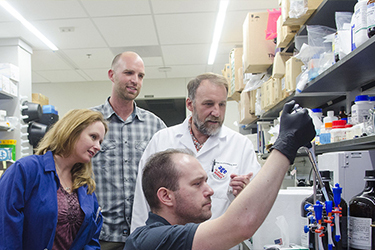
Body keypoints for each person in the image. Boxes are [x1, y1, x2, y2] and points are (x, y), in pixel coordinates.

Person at [124, 100, 316, 250]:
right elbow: (240, 225)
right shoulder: (152, 240)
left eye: (206, 181)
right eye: (197, 184)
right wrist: (286, 144)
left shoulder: (176, 234)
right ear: (166, 196)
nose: (210, 191)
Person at [131, 73, 261, 241]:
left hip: (219, 243)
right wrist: (139, 240)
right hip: (168, 243)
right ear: (190, 104)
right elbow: (143, 199)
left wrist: (245, 193)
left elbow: (256, 202)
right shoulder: (163, 140)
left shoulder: (240, 145)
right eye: (208, 104)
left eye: (222, 104)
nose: (216, 112)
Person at [0, 109, 108, 250]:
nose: (98, 147)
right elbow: (6, 230)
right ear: (72, 131)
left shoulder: (84, 184)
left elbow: (90, 238)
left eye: (100, 141)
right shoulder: (26, 170)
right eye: (93, 137)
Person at [91, 51, 167, 249]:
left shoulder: (155, 126)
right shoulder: (89, 122)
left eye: (140, 76)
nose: (135, 80)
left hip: (144, 234)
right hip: (101, 234)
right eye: (129, 73)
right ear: (111, 75)